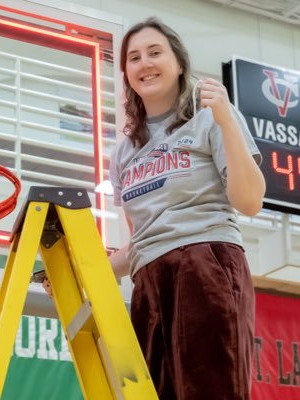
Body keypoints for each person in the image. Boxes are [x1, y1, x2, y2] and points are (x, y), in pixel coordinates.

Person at [107, 17, 266, 400]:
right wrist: (84, 271)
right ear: (126, 74)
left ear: (179, 62)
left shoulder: (211, 117)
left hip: (205, 262)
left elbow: (250, 201)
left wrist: (227, 120)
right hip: (147, 279)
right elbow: (141, 239)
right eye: (133, 57)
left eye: (155, 52)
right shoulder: (124, 153)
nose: (144, 63)